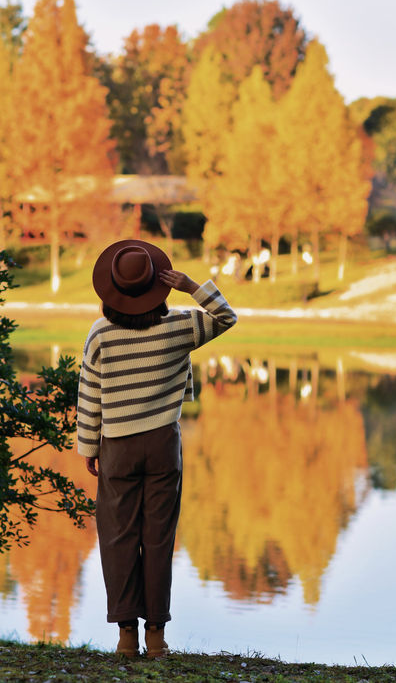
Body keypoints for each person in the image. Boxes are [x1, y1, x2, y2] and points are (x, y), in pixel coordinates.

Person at [77, 239, 237, 658]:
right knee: (159, 539)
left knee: (118, 538)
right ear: (157, 285)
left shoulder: (100, 334)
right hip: (163, 445)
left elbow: (90, 396)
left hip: (117, 446)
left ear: (111, 289)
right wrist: (191, 286)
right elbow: (226, 316)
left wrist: (88, 448)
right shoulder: (180, 326)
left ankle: (126, 636)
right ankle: (157, 637)